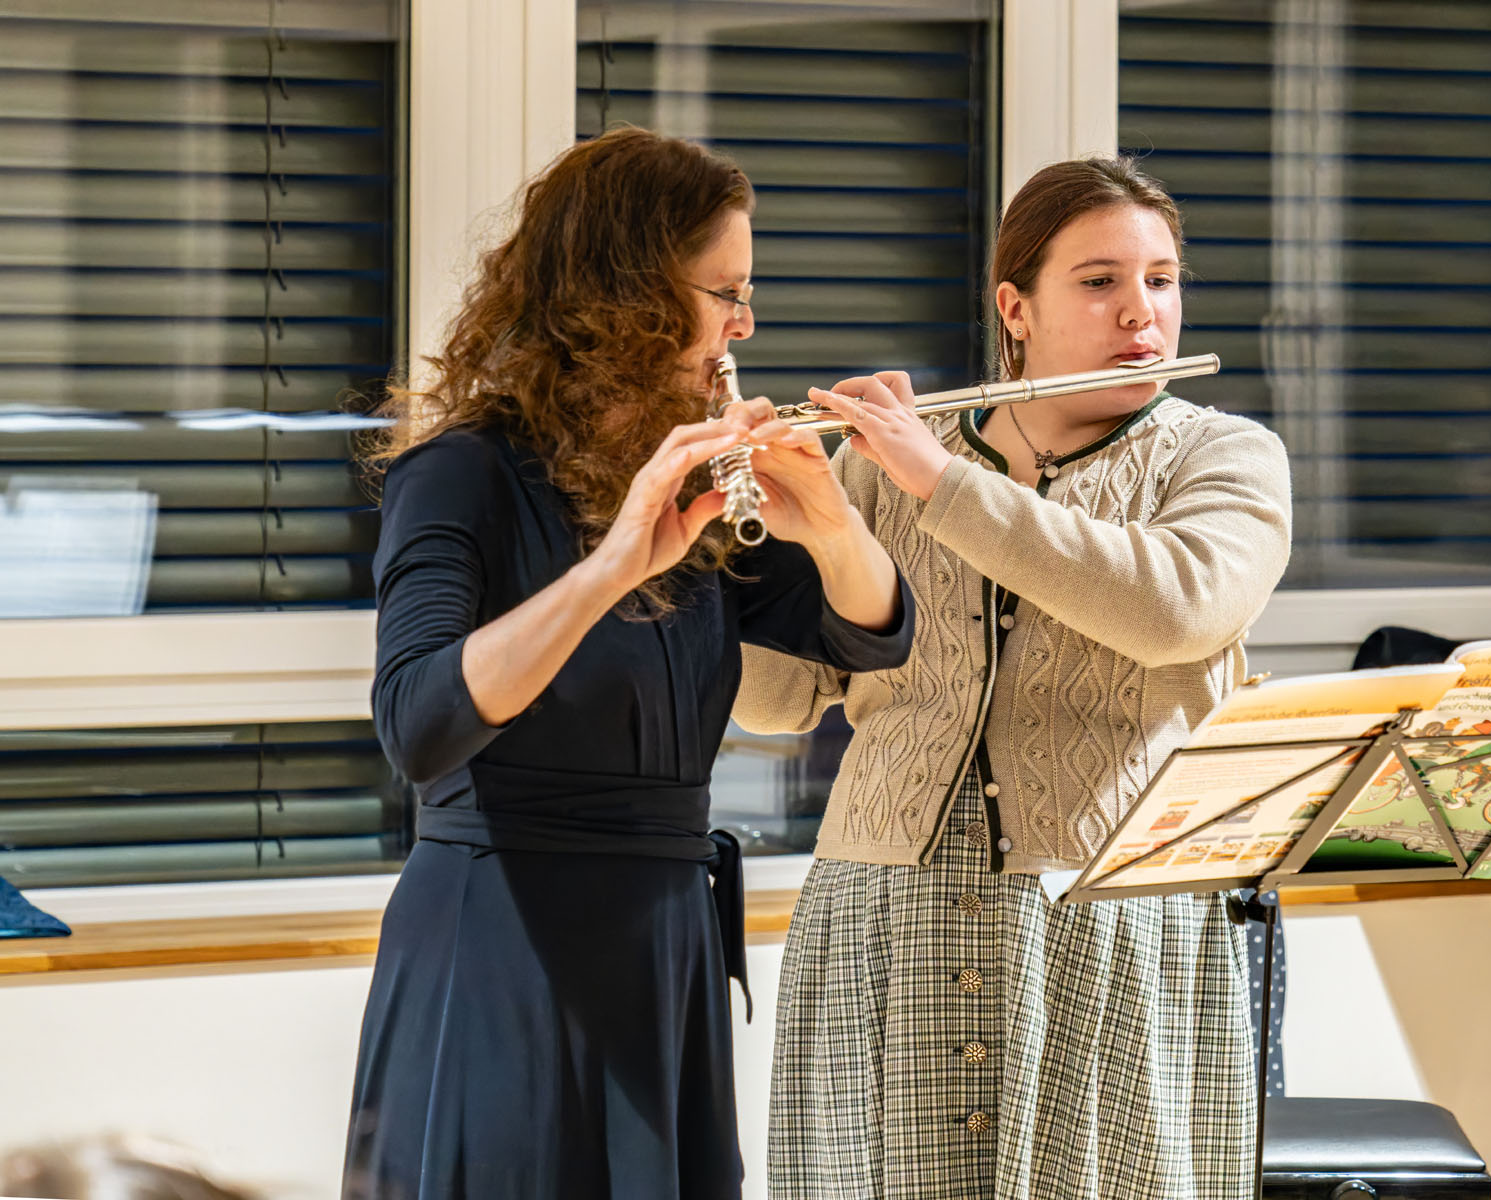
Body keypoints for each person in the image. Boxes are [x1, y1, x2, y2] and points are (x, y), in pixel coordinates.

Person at [343, 126, 913, 1198]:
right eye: (725, 293)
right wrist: (612, 567)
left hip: (665, 941)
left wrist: (833, 520)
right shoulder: (461, 474)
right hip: (501, 939)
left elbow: (867, 635)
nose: (744, 325)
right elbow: (419, 725)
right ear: (627, 296)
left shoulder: (698, 479)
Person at [734, 156, 1293, 1200]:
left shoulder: (1224, 458)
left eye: (1161, 280)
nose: (1142, 312)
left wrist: (938, 481)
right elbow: (778, 700)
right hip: (885, 912)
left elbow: (1175, 609)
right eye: (1100, 281)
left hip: (1112, 921)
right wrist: (719, 543)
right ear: (1015, 308)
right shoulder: (879, 465)